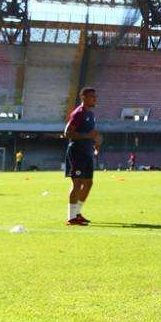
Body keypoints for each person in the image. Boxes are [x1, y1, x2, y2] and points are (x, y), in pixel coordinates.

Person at [64, 87, 101, 226]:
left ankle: (77, 213)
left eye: (95, 96)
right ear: (84, 97)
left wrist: (96, 142)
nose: (95, 99)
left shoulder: (90, 114)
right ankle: (71, 217)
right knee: (77, 183)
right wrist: (87, 136)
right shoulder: (78, 113)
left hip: (87, 152)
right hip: (77, 152)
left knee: (88, 183)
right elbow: (67, 133)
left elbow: (91, 133)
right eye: (92, 96)